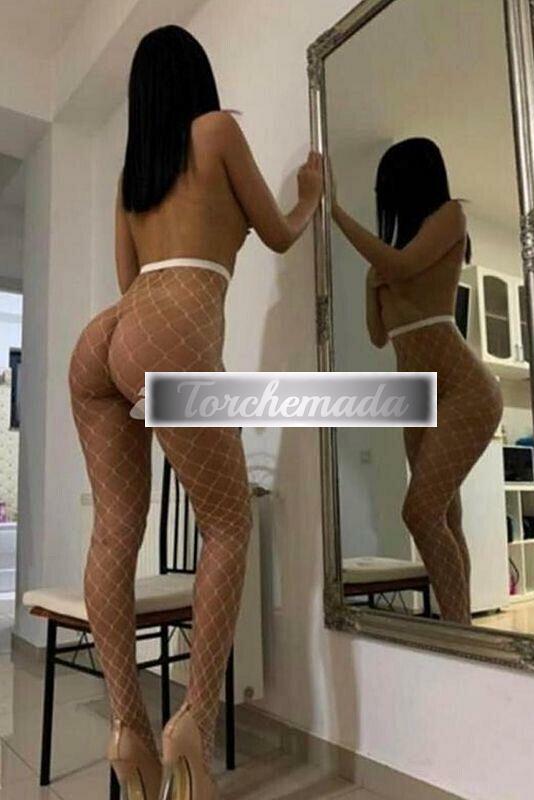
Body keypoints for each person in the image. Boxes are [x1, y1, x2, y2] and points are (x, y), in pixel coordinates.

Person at [68, 25, 323, 800]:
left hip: (107, 337)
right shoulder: (216, 131)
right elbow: (278, 235)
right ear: (196, 78)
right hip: (172, 329)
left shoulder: (132, 175)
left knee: (115, 528)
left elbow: (128, 280)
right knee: (228, 525)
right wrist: (309, 195)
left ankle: (126, 726)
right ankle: (192, 725)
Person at [331, 137, 503, 625]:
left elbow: (401, 266)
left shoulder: (450, 216)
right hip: (414, 395)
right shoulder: (396, 255)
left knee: (420, 512)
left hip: (463, 388)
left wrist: (335, 212)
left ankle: (456, 632)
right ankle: (461, 629)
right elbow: (377, 335)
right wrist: (371, 283)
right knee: (444, 515)